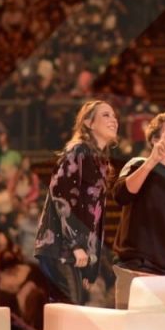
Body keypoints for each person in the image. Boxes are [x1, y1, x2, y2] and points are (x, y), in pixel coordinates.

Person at [33, 100, 118, 305]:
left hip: (75, 252)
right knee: (69, 312)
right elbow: (61, 196)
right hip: (60, 248)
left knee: (70, 312)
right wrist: (75, 245)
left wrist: (91, 265)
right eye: (106, 115)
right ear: (89, 123)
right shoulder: (78, 151)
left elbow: (95, 217)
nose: (114, 120)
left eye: (114, 115)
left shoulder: (100, 161)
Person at [112, 111, 165, 307]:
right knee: (129, 325)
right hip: (135, 268)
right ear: (155, 139)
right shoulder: (138, 164)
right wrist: (152, 161)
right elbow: (121, 195)